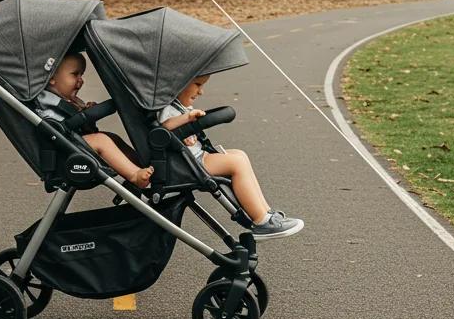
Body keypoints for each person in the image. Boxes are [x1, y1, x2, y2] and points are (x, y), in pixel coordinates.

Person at [158, 75, 304, 239]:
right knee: (236, 162)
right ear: (178, 85)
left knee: (240, 154)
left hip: (194, 157)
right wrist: (187, 118)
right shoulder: (167, 109)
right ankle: (261, 220)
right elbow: (163, 129)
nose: (201, 91)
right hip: (187, 163)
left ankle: (265, 212)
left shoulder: (178, 106)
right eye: (197, 85)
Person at [36, 54, 154, 189]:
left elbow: (80, 129)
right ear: (51, 78)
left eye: (82, 75)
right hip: (62, 152)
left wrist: (86, 114)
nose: (81, 80)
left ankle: (143, 165)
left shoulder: (70, 100)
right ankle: (134, 175)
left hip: (73, 144)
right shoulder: (45, 101)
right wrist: (83, 115)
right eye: (75, 74)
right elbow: (57, 127)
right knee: (101, 140)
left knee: (111, 137)